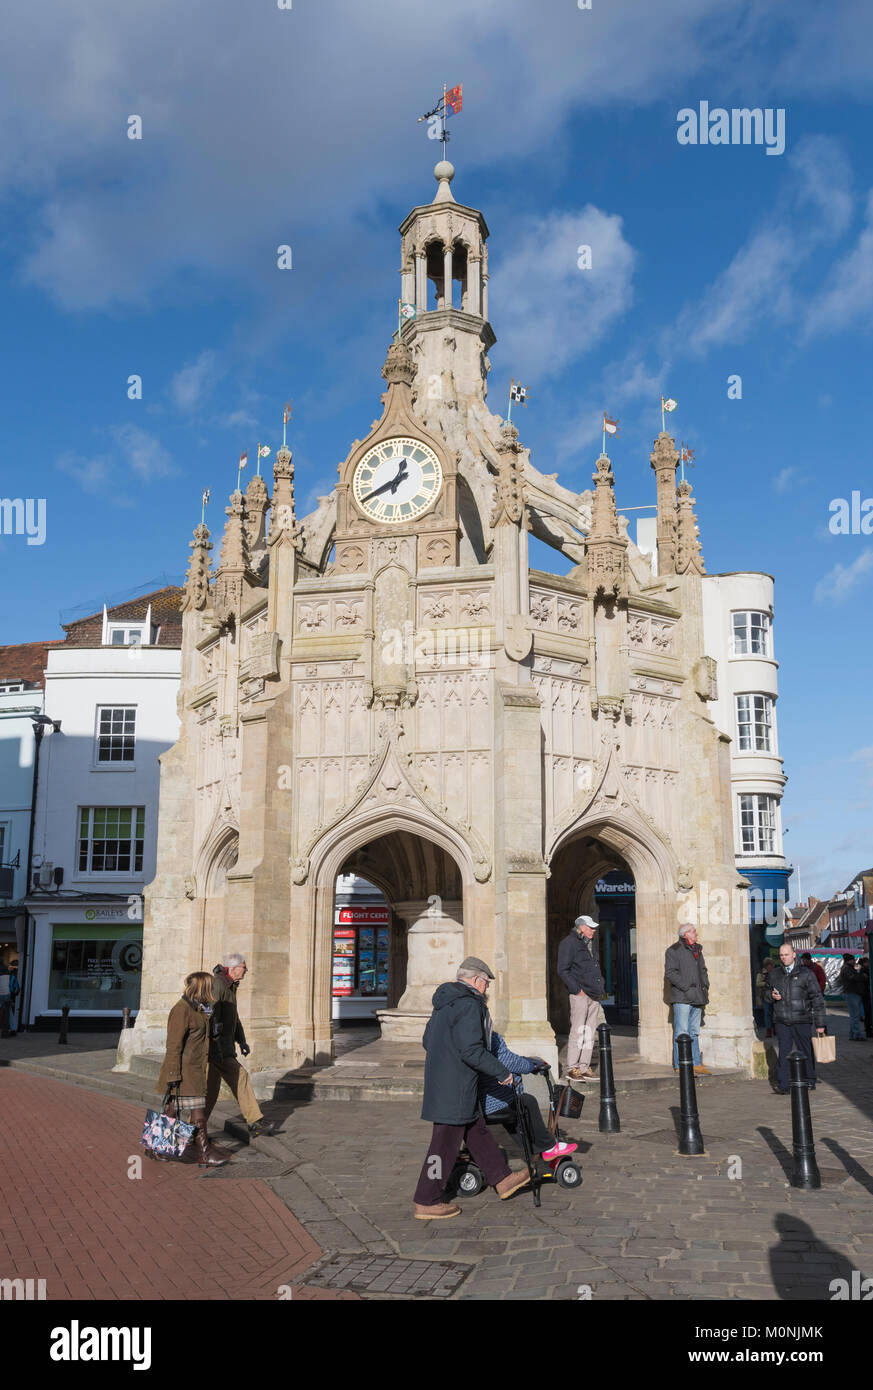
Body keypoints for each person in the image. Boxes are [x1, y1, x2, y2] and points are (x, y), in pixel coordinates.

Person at [413, 958, 532, 1219]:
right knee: (443, 1145)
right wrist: (502, 1072)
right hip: (455, 1087)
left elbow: (427, 1041)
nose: (487, 989)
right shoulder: (469, 1004)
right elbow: (471, 1050)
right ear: (477, 980)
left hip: (447, 1083)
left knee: (476, 1131)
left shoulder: (445, 1003)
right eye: (487, 983)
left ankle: (503, 1179)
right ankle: (427, 1199)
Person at [156, 972, 232, 1166]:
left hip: (196, 1069)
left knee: (173, 1109)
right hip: (184, 1071)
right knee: (198, 1112)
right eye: (209, 986)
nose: (212, 989)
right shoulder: (181, 1010)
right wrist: (173, 1074)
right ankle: (204, 1154)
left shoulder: (200, 1009)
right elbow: (173, 1045)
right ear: (201, 987)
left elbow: (202, 1038)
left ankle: (154, 1147)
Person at [204, 952, 276, 1138]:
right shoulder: (218, 985)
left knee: (209, 1095)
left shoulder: (230, 986)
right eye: (244, 967)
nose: (246, 971)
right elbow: (208, 1016)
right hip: (215, 1049)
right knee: (241, 1076)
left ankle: (193, 1132)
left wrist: (241, 1040)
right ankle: (255, 1122)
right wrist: (214, 1045)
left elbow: (233, 1017)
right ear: (233, 968)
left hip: (222, 1048)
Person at [480, 1031, 578, 1166]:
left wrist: (526, 1061)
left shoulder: (471, 1034)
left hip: (483, 1100)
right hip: (490, 1103)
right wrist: (531, 1065)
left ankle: (534, 1148)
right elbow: (508, 1061)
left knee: (515, 1114)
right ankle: (549, 1147)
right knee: (527, 1102)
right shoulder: (489, 1036)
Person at [765, 942, 826, 1093]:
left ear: (793, 954)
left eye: (786, 954)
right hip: (782, 1021)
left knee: (805, 1051)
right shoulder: (775, 974)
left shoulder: (806, 974)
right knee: (784, 1052)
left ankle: (809, 1080)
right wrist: (770, 995)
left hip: (802, 1020)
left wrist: (820, 1023)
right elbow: (765, 993)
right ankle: (783, 1084)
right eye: (781, 955)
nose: (784, 958)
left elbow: (817, 998)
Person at [558, 915, 604, 1082]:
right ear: (581, 927)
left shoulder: (589, 944)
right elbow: (562, 970)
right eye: (590, 927)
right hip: (581, 995)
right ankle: (573, 1068)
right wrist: (578, 990)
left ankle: (584, 1067)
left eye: (593, 928)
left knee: (589, 1032)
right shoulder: (569, 943)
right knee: (578, 1030)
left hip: (594, 994)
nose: (593, 930)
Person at [665, 924, 711, 1074]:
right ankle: (681, 1064)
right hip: (682, 998)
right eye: (693, 931)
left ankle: (696, 1063)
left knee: (694, 1031)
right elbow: (670, 973)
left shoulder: (698, 949)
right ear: (685, 934)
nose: (696, 933)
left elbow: (703, 970)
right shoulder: (674, 950)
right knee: (681, 1031)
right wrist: (686, 987)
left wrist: (705, 985)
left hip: (698, 996)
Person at [838, 953, 866, 1041]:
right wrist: (862, 976)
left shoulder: (847, 968)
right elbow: (852, 978)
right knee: (855, 1015)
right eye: (853, 960)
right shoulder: (847, 969)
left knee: (854, 1015)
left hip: (851, 993)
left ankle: (853, 1034)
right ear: (849, 960)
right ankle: (856, 1034)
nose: (854, 962)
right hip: (852, 993)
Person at [760, 958, 776, 1037]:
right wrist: (765, 984)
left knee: (775, 1013)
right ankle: (768, 1030)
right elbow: (758, 983)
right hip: (765, 996)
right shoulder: (762, 973)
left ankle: (775, 1029)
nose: (770, 967)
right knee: (767, 1013)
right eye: (768, 966)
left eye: (771, 965)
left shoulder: (775, 973)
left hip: (774, 996)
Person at [858, 957, 872, 1038]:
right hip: (865, 994)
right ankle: (868, 1030)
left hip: (864, 994)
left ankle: (868, 1030)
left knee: (867, 1013)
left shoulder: (863, 970)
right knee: (867, 1012)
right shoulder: (864, 971)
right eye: (867, 962)